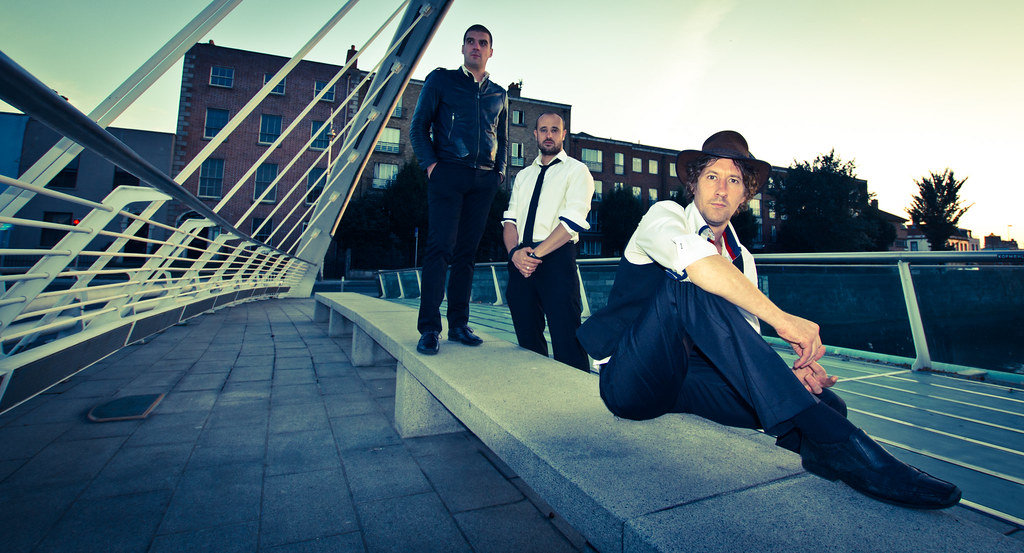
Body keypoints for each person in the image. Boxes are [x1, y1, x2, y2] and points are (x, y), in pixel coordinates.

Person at [576, 130, 961, 509]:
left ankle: (825, 453)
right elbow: (697, 264)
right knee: (688, 285)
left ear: (745, 195)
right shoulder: (664, 216)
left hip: (686, 386)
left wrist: (789, 376)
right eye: (711, 176)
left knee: (826, 404)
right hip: (631, 380)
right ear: (693, 184)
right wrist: (784, 320)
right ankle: (863, 457)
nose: (721, 190)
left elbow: (739, 342)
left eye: (733, 181)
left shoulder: (742, 257)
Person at [409, 24, 508, 355]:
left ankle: (459, 324)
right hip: (448, 173)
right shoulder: (441, 80)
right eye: (470, 41)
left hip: (484, 181)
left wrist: (499, 173)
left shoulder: (499, 94)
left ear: (491, 51)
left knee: (467, 254)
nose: (476, 47)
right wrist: (432, 166)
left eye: (482, 43)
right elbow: (418, 127)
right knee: (440, 248)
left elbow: (503, 138)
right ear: (463, 48)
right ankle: (429, 328)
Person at [502, 113, 594, 372]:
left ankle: (574, 392)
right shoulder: (523, 176)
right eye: (544, 130)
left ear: (563, 134)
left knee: (567, 339)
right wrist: (515, 254)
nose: (549, 135)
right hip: (521, 260)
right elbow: (510, 220)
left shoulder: (577, 171)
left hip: (556, 257)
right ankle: (537, 388)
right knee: (527, 340)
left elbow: (572, 221)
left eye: (555, 130)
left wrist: (534, 255)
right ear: (535, 134)